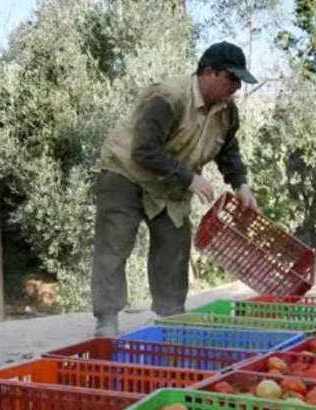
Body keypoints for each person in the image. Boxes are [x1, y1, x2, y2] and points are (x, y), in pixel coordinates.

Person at [91, 41, 260, 336]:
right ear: (209, 73)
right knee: (114, 244)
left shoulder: (226, 111)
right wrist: (190, 178)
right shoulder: (168, 97)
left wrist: (241, 184)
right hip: (126, 170)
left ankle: (170, 316)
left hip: (168, 179)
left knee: (174, 244)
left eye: (239, 81)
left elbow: (228, 150)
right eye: (231, 79)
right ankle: (106, 319)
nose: (237, 87)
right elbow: (144, 151)